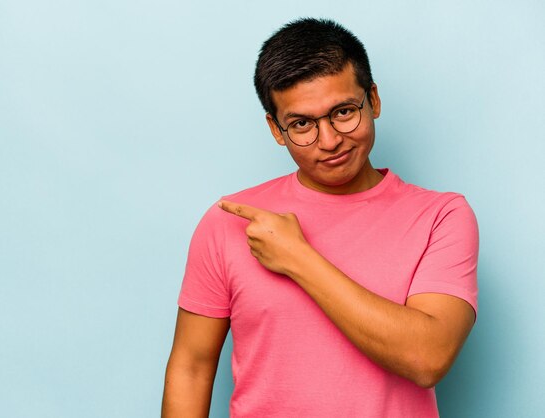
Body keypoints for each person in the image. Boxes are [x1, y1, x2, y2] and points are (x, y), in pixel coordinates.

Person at [162, 17, 478, 418]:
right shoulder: (229, 221)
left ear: (374, 100)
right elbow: (191, 367)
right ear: (276, 129)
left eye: (344, 112)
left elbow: (427, 357)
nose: (329, 141)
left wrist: (297, 258)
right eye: (301, 124)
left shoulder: (441, 216)